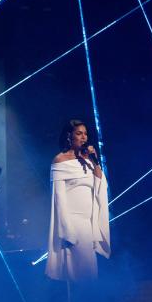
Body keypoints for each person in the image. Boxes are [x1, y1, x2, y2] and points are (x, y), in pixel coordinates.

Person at [46, 120, 110, 282]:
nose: (84, 137)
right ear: (69, 136)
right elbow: (59, 200)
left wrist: (94, 161)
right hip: (72, 224)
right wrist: (67, 231)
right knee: (77, 276)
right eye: (79, 133)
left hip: (88, 223)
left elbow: (101, 184)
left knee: (89, 274)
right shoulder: (59, 161)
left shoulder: (87, 161)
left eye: (85, 133)